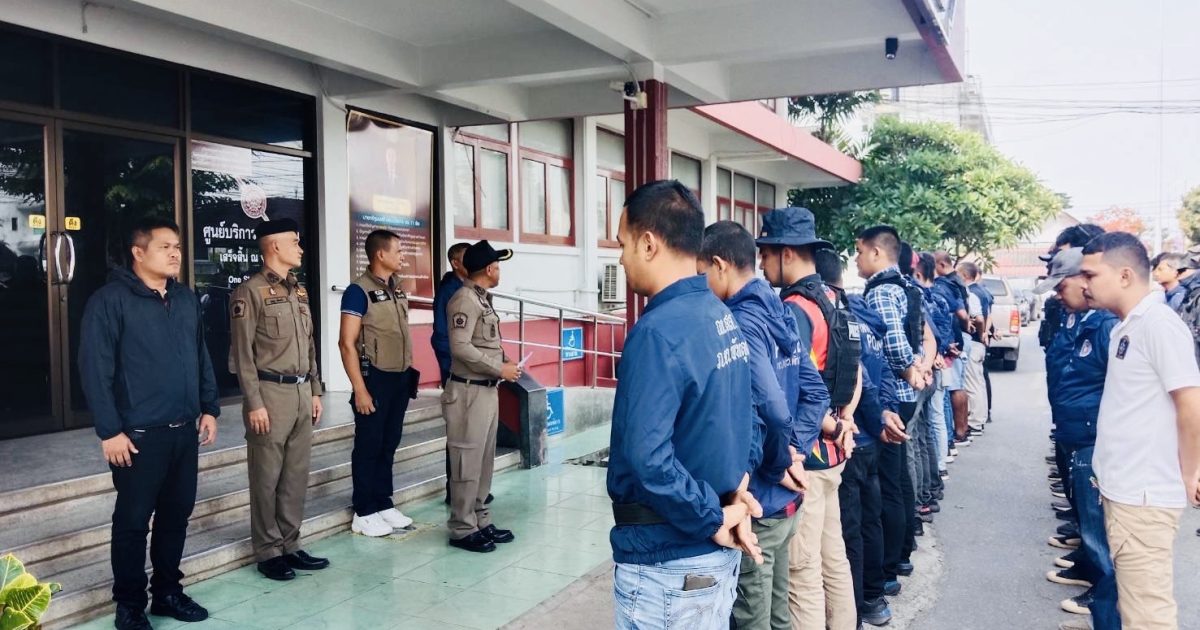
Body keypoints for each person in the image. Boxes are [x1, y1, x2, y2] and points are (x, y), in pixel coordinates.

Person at [608, 180, 761, 630]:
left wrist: (714, 515)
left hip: (668, 564)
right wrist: (734, 497)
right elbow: (750, 422)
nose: (620, 258)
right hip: (708, 552)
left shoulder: (657, 332)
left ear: (648, 244)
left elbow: (649, 460)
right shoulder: (720, 315)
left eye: (622, 244)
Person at [79, 217, 219, 630]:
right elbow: (95, 369)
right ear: (138, 253)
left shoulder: (185, 299)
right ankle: (129, 605)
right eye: (164, 247)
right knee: (132, 523)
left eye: (177, 246)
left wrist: (209, 407)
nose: (175, 253)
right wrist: (110, 431)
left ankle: (168, 593)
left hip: (184, 431)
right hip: (137, 437)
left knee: (176, 517)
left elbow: (200, 355)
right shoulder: (109, 301)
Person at [700, 221, 829, 630]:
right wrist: (797, 451)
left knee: (753, 620)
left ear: (720, 265)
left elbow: (773, 409)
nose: (701, 284)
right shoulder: (780, 310)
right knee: (778, 617)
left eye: (702, 272)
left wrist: (779, 463)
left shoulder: (740, 321)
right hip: (785, 501)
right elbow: (816, 394)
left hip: (761, 502)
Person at [1080, 232, 1200, 628]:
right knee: (1134, 607)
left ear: (1125, 275)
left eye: (1091, 275)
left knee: (1148, 615)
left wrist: (1190, 472)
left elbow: (1190, 402)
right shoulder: (1127, 325)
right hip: (1125, 491)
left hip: (1144, 497)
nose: (1084, 284)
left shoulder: (1159, 325)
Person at [756, 206, 857, 630]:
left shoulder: (795, 308)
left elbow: (796, 387)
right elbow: (854, 372)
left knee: (802, 573)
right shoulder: (834, 299)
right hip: (835, 452)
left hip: (809, 458)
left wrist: (831, 425)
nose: (761, 263)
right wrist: (845, 423)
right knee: (834, 559)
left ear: (787, 253)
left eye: (766, 253)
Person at [229, 218, 329, 581]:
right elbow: (242, 356)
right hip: (270, 393)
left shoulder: (298, 292)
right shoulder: (250, 292)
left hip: (301, 391)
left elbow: (311, 346)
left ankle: (290, 543)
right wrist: (254, 402)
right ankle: (268, 550)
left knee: (295, 476)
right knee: (266, 476)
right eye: (294, 242)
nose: (300, 249)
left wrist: (315, 390)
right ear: (274, 246)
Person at [1035, 248, 1120, 630]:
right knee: (1086, 516)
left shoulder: (1105, 325)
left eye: (1062, 285)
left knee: (1098, 524)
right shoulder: (1077, 318)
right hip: (1074, 428)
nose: (1058, 293)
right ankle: (1094, 577)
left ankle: (1104, 595)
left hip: (1091, 434)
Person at [821, 248, 905, 628]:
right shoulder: (865, 321)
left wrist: (877, 414)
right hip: (869, 437)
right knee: (870, 518)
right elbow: (883, 371)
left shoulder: (838, 320)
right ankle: (874, 594)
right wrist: (887, 410)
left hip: (852, 438)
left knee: (850, 530)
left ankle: (857, 608)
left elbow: (862, 380)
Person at [857, 226, 928, 608]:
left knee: (887, 484)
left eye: (859, 251)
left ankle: (888, 567)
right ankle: (900, 554)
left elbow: (894, 345)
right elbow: (920, 336)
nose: (856, 260)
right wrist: (919, 368)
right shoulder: (908, 286)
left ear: (876, 252)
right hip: (906, 393)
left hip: (891, 396)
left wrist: (909, 370)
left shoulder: (882, 291)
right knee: (897, 478)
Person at [339, 230, 419, 538]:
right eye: (398, 251)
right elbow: (346, 343)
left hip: (400, 376)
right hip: (375, 378)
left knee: (389, 442)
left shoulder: (397, 288)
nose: (402, 256)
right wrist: (360, 388)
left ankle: (383, 502)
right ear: (380, 254)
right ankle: (364, 510)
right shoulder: (357, 291)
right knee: (369, 445)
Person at [443, 240, 521, 552]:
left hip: (486, 390)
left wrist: (503, 362)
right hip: (467, 392)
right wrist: (498, 368)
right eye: (498, 266)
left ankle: (479, 519)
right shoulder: (465, 299)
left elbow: (483, 343)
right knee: (467, 461)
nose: (499, 271)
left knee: (483, 462)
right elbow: (460, 347)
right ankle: (462, 528)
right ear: (489, 269)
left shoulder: (482, 299)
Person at [931, 252, 971, 446]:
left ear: (940, 264)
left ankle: (959, 433)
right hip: (959, 339)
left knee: (953, 389)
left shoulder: (945, 285)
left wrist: (963, 327)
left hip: (953, 341)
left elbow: (962, 314)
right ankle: (962, 430)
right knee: (957, 386)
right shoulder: (957, 282)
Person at [959, 262, 994, 425]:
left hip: (974, 342)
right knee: (979, 384)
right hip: (980, 343)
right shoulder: (983, 291)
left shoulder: (970, 293)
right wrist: (985, 334)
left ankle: (975, 422)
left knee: (972, 385)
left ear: (965, 275)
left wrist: (980, 333)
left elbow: (979, 319)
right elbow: (989, 316)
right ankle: (981, 418)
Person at [432, 242, 471, 384]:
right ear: (455, 263)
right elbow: (441, 330)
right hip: (454, 356)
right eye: (468, 258)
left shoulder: (470, 287)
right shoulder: (447, 291)